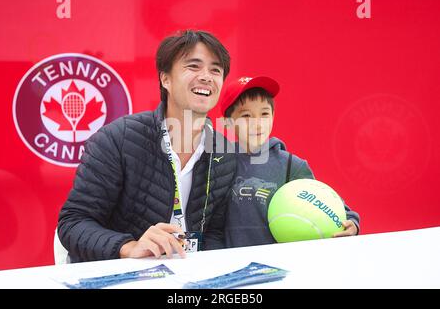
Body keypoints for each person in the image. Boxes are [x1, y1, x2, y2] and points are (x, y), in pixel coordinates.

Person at [58, 30, 236, 262]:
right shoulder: (118, 139)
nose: (206, 77)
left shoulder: (225, 153)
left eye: (216, 70)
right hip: (122, 275)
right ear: (165, 79)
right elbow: (73, 222)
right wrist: (129, 247)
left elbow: (214, 232)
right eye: (193, 66)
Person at [219, 76, 360, 248]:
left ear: (273, 116)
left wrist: (351, 221)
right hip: (230, 264)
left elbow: (325, 203)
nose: (257, 123)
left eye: (264, 114)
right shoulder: (220, 163)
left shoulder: (291, 165)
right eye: (247, 115)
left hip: (279, 263)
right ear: (227, 122)